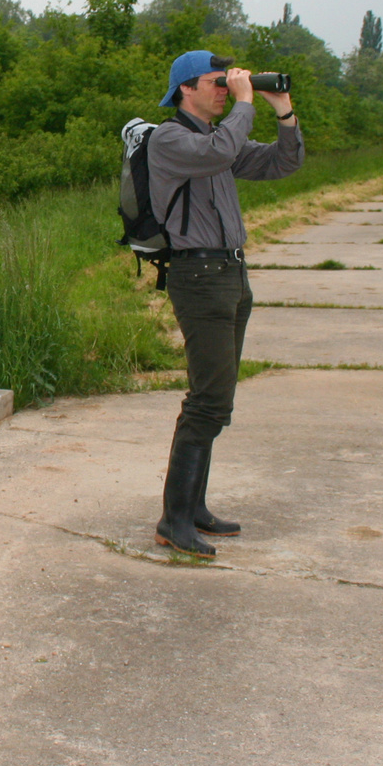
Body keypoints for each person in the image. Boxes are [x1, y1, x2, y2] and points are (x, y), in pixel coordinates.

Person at [147, 50, 305, 557]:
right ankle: (175, 520)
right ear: (184, 90)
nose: (225, 88)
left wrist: (281, 109)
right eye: (215, 82)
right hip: (198, 276)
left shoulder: (219, 142)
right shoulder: (168, 138)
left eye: (228, 82)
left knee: (217, 398)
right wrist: (244, 103)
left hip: (231, 274)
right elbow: (219, 152)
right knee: (208, 399)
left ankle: (192, 508)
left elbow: (285, 162)